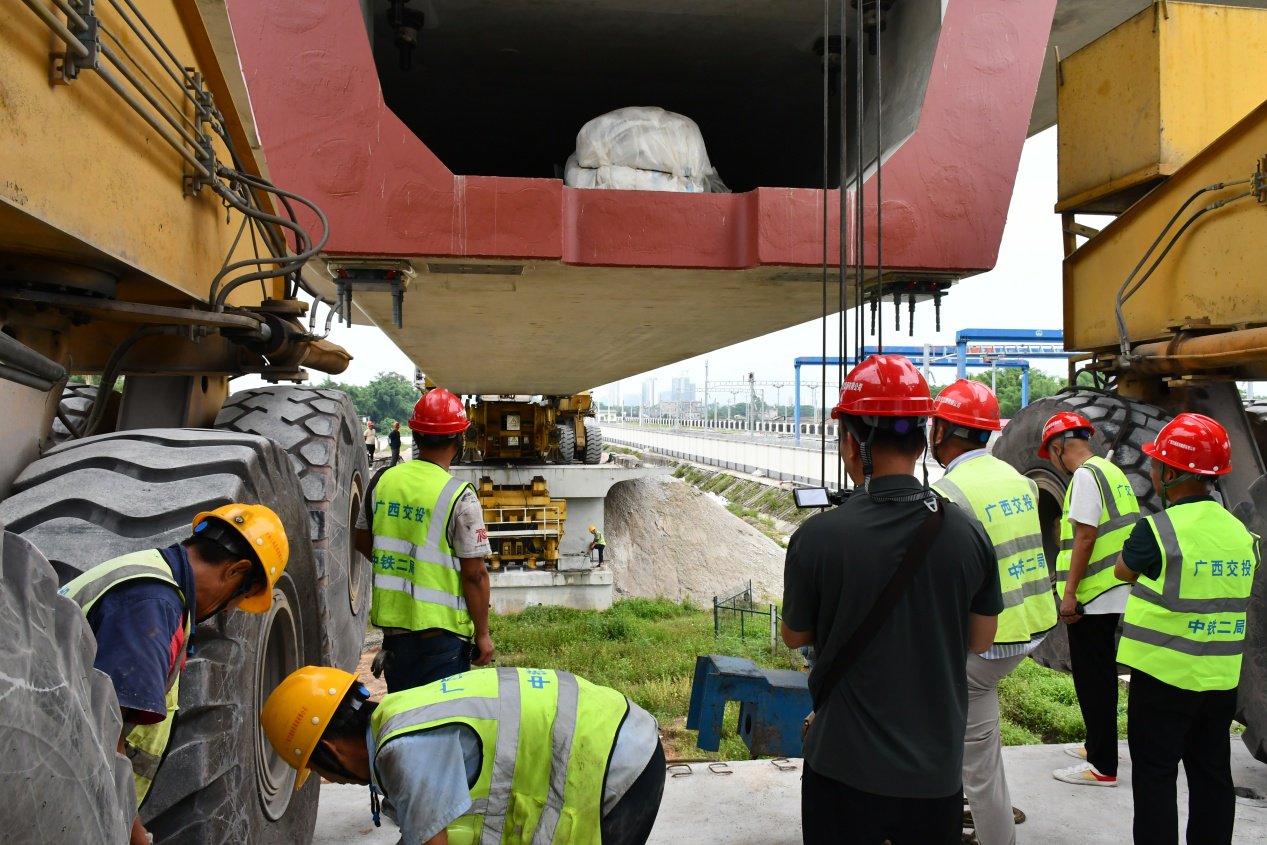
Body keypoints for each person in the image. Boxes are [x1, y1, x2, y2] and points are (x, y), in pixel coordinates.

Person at [781, 355, 1003, 845]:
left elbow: (795, 635)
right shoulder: (967, 534)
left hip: (842, 767)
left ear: (853, 443)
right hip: (935, 774)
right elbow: (982, 638)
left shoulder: (818, 538)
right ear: (924, 440)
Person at [60, 504, 288, 845]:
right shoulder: (152, 603)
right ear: (236, 570)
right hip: (67, 798)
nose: (228, 609)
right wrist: (135, 835)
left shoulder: (153, 583)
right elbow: (105, 736)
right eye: (239, 598)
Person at [261, 665, 666, 845]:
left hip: (617, 769)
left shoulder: (400, 751)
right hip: (621, 731)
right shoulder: (399, 714)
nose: (331, 780)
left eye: (318, 770)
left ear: (329, 750)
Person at [1113, 413, 1256, 845]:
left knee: (1156, 777)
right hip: (1219, 680)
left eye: (1157, 465)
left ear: (1171, 473)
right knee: (1212, 774)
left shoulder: (1158, 529)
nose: (1153, 473)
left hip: (1163, 678)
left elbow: (1123, 570)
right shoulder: (1242, 533)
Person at [930, 380, 1056, 845]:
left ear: (940, 430)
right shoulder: (1018, 480)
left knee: (979, 760)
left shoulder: (949, 494)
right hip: (1031, 628)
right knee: (965, 738)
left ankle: (992, 835)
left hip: (988, 644)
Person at [356, 388, 494, 692]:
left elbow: (363, 540)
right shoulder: (460, 495)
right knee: (440, 725)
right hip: (442, 638)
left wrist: (404, 567)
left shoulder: (382, 480)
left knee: (404, 720)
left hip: (395, 636)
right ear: (459, 439)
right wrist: (483, 634)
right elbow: (475, 574)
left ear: (415, 434)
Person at [1040, 412, 1140, 787]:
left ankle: (1102, 766)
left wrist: (1069, 595)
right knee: (1100, 676)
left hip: (1093, 595)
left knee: (1092, 679)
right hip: (1113, 591)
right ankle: (1095, 745)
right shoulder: (1109, 471)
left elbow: (1084, 537)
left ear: (1057, 447)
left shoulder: (1084, 476)